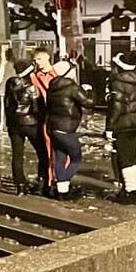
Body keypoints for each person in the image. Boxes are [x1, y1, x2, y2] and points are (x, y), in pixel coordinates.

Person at [105, 50, 136, 205]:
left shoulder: (118, 82)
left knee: (124, 160)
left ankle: (130, 194)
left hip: (123, 125)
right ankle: (135, 190)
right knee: (133, 158)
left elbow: (116, 108)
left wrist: (109, 128)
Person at [43, 61, 97, 199]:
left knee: (60, 159)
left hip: (54, 128)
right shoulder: (72, 87)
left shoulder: (52, 86)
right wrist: (89, 91)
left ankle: (62, 192)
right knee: (76, 159)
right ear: (67, 73)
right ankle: (63, 183)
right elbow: (88, 103)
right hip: (67, 130)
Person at [3, 50, 50, 195]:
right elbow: (37, 108)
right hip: (31, 124)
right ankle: (42, 182)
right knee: (42, 153)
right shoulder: (32, 86)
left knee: (17, 155)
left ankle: (20, 185)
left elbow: (7, 104)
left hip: (14, 124)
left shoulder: (10, 83)